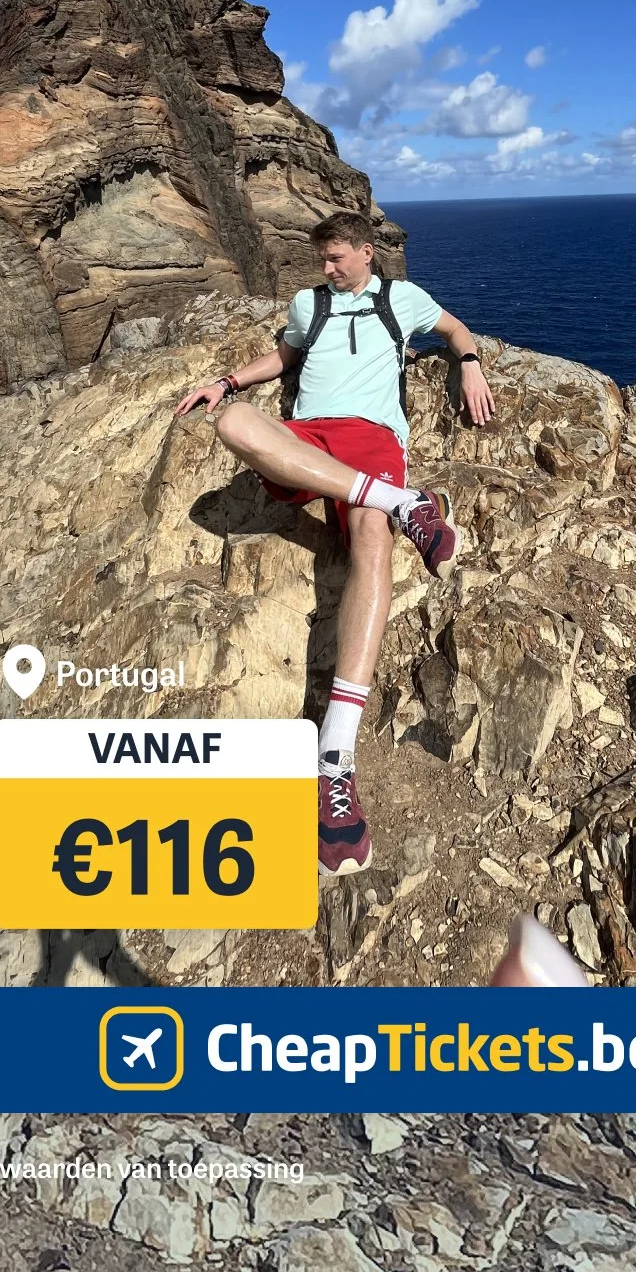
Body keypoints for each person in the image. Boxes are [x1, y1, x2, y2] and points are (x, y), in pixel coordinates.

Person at [174, 210, 496, 877]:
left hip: (374, 436)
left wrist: (467, 365)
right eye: (321, 260)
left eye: (336, 259)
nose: (325, 269)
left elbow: (454, 329)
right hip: (309, 439)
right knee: (234, 422)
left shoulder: (399, 300)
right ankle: (406, 504)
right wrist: (229, 381)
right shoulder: (306, 305)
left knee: (369, 546)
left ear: (367, 254)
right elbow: (289, 354)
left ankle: (336, 760)